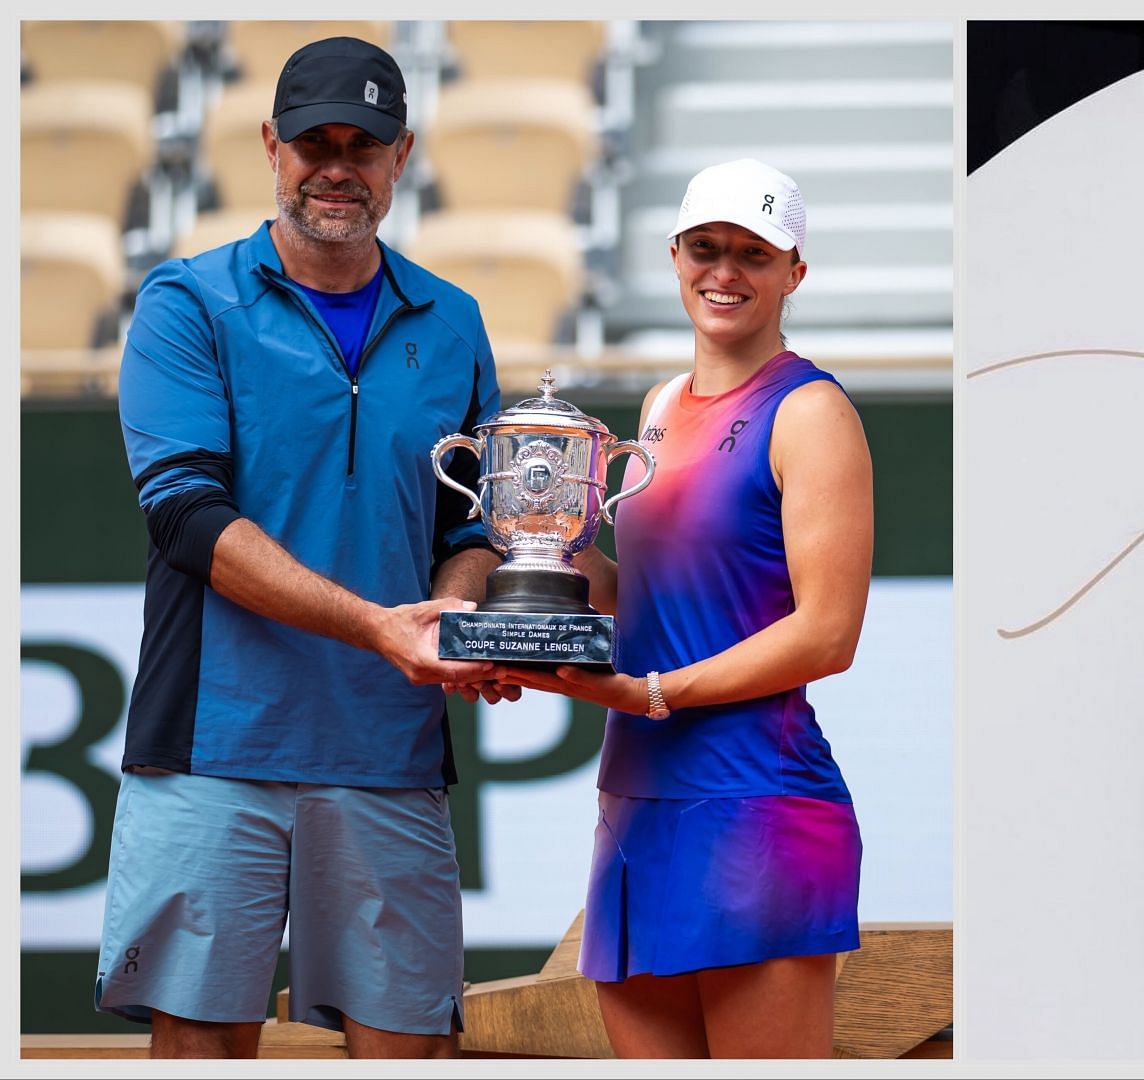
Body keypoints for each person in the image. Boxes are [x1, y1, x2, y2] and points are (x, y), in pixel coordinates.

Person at [97, 37, 503, 1058]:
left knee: (410, 1053)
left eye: (362, 144)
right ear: (270, 146)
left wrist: (456, 604)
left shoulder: (453, 322)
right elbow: (186, 519)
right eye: (313, 141)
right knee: (203, 1054)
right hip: (210, 750)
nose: (338, 166)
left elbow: (475, 524)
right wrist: (380, 626)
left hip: (388, 751)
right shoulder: (187, 303)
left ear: (401, 153)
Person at [484, 159, 872, 1059]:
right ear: (675, 256)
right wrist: (531, 581)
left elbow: (828, 632)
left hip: (755, 806)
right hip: (636, 803)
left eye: (753, 253)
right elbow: (635, 595)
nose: (725, 272)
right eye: (706, 248)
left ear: (795, 272)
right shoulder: (659, 406)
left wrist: (652, 692)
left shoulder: (810, 411)